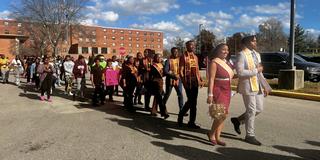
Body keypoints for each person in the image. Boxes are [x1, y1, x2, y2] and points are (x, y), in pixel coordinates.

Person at [230, 35, 269, 146]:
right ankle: (250, 135)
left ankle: (238, 120)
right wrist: (256, 70)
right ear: (247, 42)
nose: (255, 43)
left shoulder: (257, 54)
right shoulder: (241, 55)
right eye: (253, 41)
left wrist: (265, 85)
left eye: (256, 41)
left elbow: (260, 72)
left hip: (258, 85)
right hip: (247, 86)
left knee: (259, 109)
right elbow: (240, 73)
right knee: (251, 110)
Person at [206, 43, 235, 146]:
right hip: (218, 89)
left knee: (224, 113)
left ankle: (218, 137)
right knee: (220, 114)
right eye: (223, 49)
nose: (226, 51)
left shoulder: (227, 62)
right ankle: (211, 134)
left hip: (227, 89)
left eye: (227, 50)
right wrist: (210, 94)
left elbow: (232, 74)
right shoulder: (214, 62)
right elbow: (211, 79)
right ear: (218, 51)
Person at [178, 40, 204, 129]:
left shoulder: (195, 57)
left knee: (194, 102)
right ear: (187, 46)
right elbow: (180, 71)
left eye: (193, 45)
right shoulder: (183, 57)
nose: (192, 46)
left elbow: (197, 70)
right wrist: (184, 82)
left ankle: (191, 122)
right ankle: (181, 115)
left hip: (195, 82)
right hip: (187, 82)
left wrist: (200, 79)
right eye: (190, 45)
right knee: (191, 101)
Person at [148, 54, 169, 119]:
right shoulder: (153, 66)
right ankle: (164, 112)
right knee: (159, 97)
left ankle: (153, 111)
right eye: (157, 57)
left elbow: (164, 74)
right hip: (155, 82)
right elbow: (150, 76)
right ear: (155, 58)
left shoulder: (162, 65)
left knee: (157, 97)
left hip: (161, 82)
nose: (159, 58)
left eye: (160, 57)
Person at [163, 47, 184, 112]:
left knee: (180, 94)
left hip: (178, 80)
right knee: (167, 94)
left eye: (177, 52)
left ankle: (181, 110)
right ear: (171, 52)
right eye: (174, 52)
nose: (176, 53)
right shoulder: (168, 61)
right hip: (170, 80)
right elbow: (165, 71)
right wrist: (173, 76)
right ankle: (162, 107)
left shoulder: (180, 60)